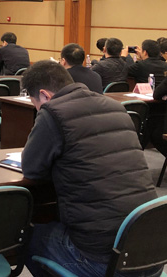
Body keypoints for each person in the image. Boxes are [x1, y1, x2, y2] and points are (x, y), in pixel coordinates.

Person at [20, 61, 159, 276]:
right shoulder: (117, 107)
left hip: (103, 259)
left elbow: (31, 169)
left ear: (44, 95)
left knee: (25, 236)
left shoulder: (53, 113)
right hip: (150, 246)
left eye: (35, 104)